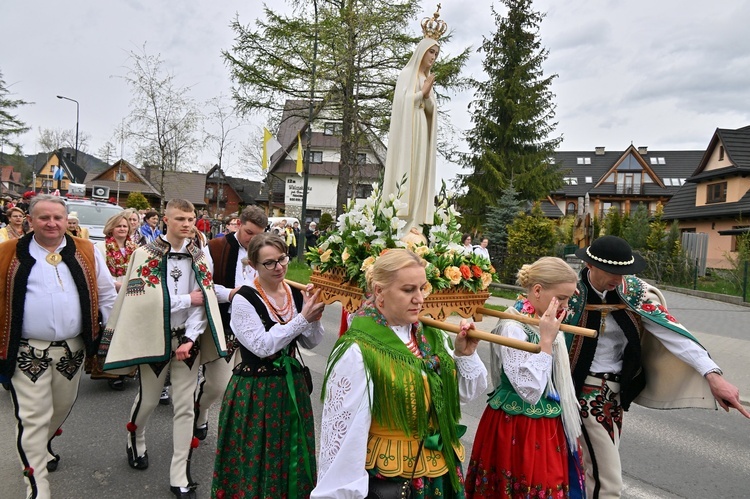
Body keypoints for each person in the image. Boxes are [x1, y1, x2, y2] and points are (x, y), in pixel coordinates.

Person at [565, 235, 750, 498]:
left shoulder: (635, 294)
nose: (619, 279)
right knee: (608, 482)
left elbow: (673, 333)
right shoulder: (568, 291)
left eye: (624, 272)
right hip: (580, 392)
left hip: (616, 395)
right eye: (611, 272)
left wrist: (713, 375)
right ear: (589, 265)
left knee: (592, 469)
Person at [312, 249, 488, 498]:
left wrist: (463, 355)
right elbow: (343, 440)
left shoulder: (431, 335)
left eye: (422, 288)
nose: (419, 299)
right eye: (408, 290)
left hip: (439, 474)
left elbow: (462, 396)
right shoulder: (358, 349)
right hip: (392, 479)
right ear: (380, 292)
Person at [99, 198, 227, 499]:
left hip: (187, 341)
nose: (187, 224)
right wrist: (185, 300)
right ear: (165, 220)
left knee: (184, 405)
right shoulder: (144, 254)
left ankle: (179, 474)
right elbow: (140, 300)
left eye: (191, 218)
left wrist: (191, 338)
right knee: (150, 399)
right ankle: (136, 434)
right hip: (154, 336)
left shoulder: (200, 256)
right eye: (181, 218)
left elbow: (204, 300)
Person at [0, 194, 117, 499]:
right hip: (26, 352)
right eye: (43, 217)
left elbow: (106, 295)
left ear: (66, 221)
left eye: (57, 218)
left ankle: (41, 445)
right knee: (32, 417)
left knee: (60, 408)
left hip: (73, 352)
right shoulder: (8, 252)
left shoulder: (87, 250)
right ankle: (38, 487)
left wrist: (112, 334)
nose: (51, 223)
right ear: (30, 220)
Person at [211, 232, 325, 498]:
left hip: (291, 388)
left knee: (290, 454)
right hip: (255, 390)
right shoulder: (244, 299)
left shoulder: (294, 294)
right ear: (253, 265)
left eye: (282, 259)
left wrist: (313, 315)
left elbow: (310, 343)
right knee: (257, 455)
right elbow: (262, 346)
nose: (279, 267)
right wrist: (301, 319)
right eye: (269, 263)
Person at [465, 257, 583, 498]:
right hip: (517, 422)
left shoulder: (543, 319)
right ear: (537, 290)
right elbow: (529, 390)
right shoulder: (514, 326)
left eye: (569, 298)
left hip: (547, 419)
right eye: (561, 297)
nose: (565, 305)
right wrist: (547, 342)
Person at [195, 205, 268, 442]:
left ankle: (237, 431)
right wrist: (232, 293)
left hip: (252, 327)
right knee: (218, 384)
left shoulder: (264, 252)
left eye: (259, 234)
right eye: (249, 233)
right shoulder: (215, 248)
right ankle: (201, 410)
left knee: (245, 385)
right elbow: (203, 286)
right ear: (238, 224)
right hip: (223, 324)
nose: (253, 239)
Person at [380, 21, 441, 232]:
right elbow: (401, 104)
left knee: (420, 171)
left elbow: (431, 109)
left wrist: (428, 99)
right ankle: (402, 222)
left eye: (436, 53)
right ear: (421, 52)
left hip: (422, 129)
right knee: (407, 171)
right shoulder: (407, 75)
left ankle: (415, 221)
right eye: (430, 52)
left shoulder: (425, 78)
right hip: (408, 132)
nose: (433, 57)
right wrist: (421, 94)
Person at [90, 213, 139, 390]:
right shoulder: (100, 247)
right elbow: (98, 273)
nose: (122, 229)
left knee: (128, 331)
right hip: (110, 293)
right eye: (119, 226)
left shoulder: (135, 248)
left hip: (131, 292)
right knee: (111, 331)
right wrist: (115, 284)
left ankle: (128, 370)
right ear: (111, 228)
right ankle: (111, 372)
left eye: (125, 226)